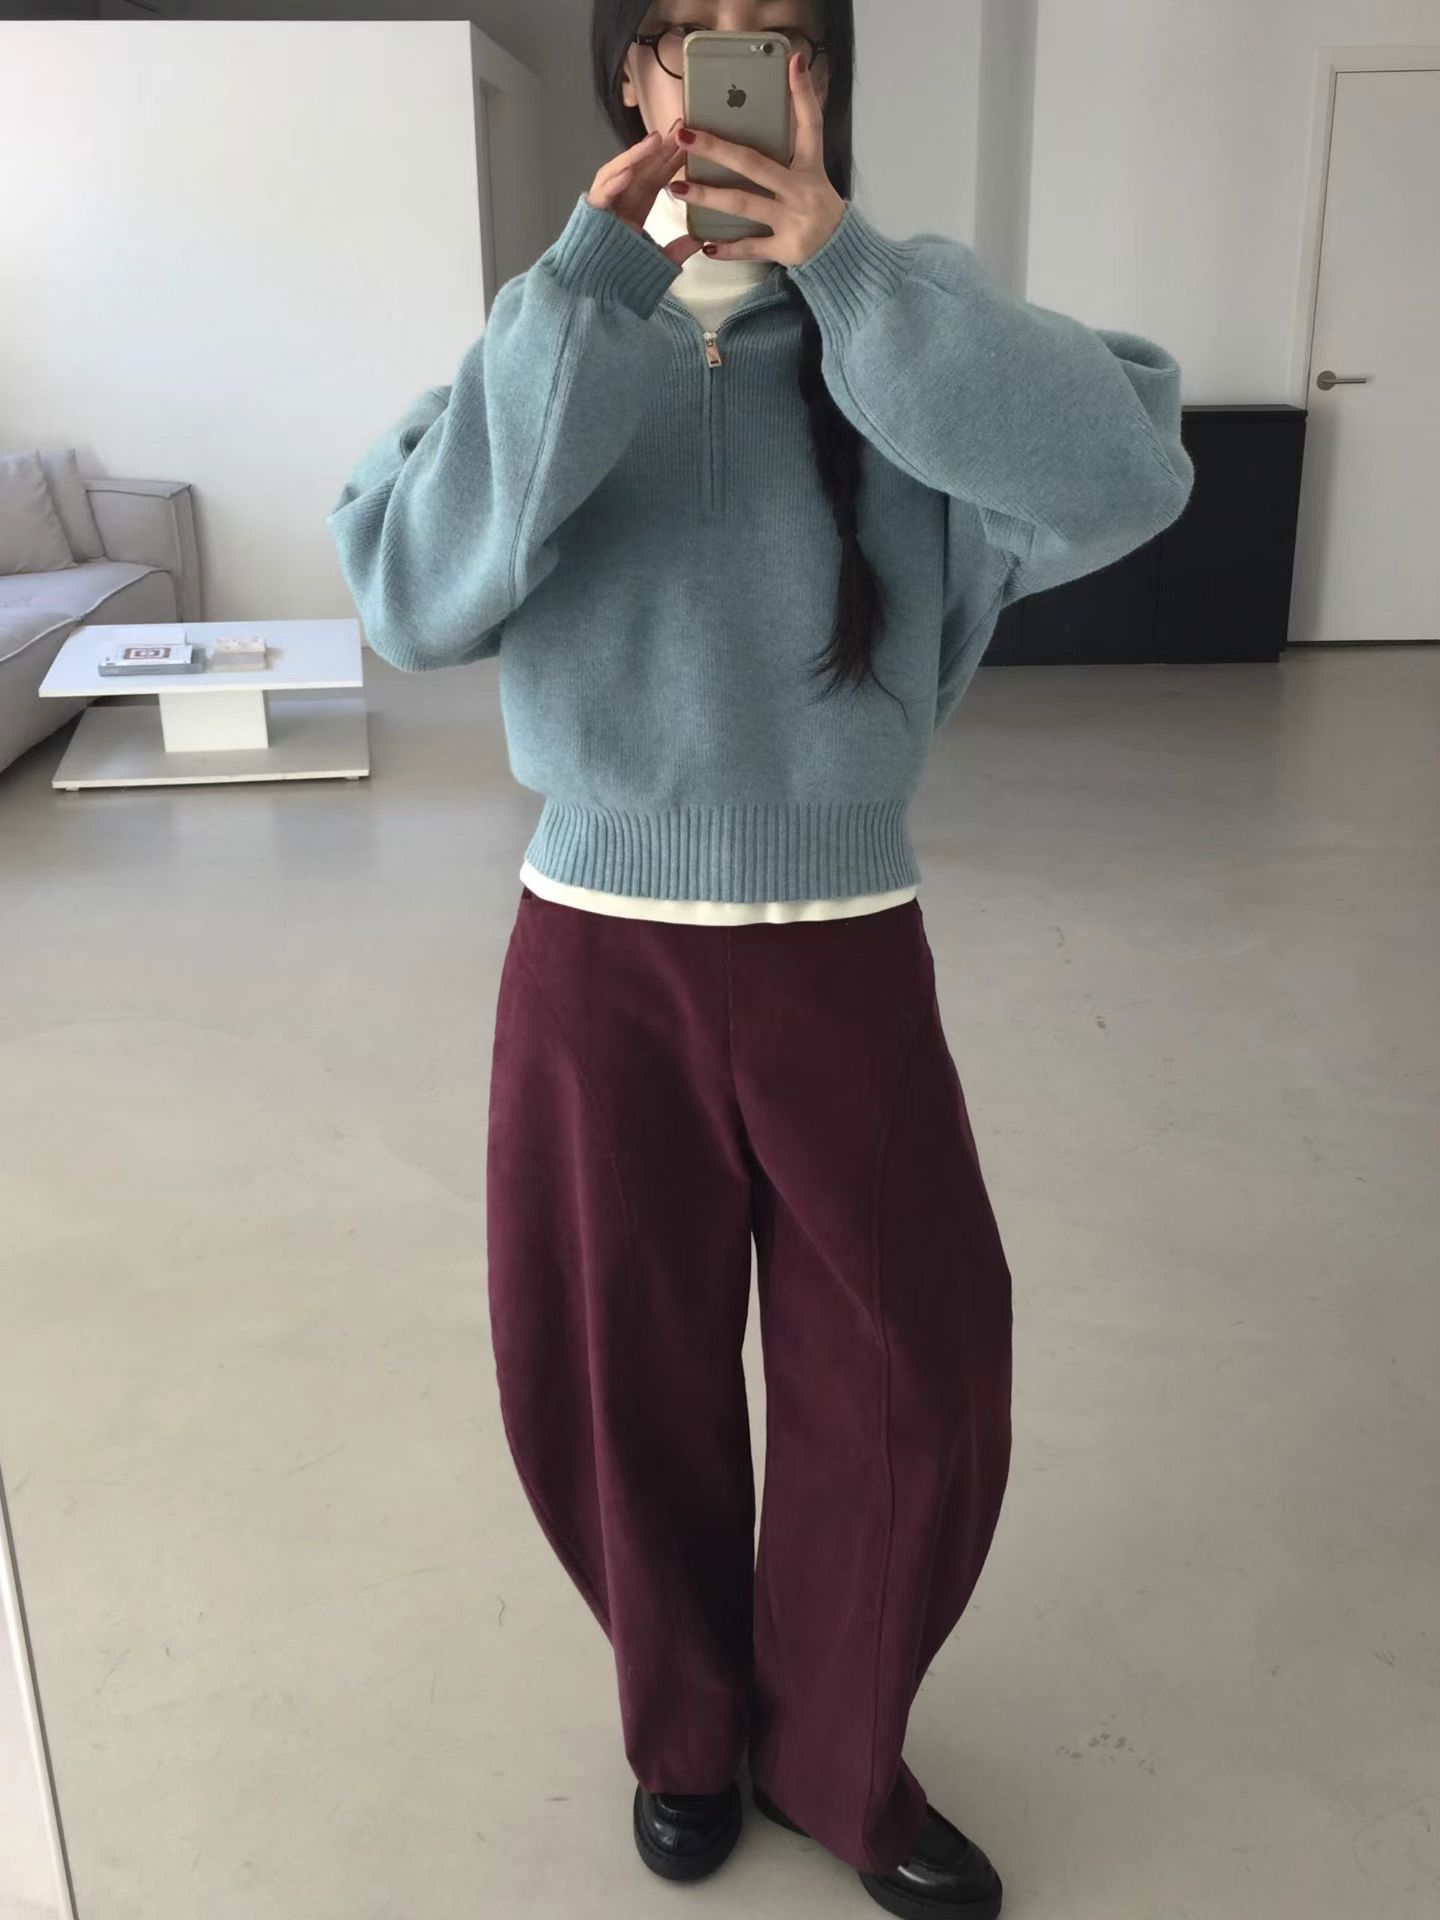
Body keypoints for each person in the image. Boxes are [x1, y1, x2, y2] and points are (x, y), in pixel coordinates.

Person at [326, 4, 1194, 1913]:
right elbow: (407, 590)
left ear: (824, 81)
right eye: (686, 39)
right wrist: (585, 288)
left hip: (843, 946)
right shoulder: (550, 333)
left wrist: (854, 274)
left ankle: (838, 1757)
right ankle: (687, 1735)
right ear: (629, 79)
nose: (730, 74)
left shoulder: (906, 320)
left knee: (915, 1382)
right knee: (613, 1378)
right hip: (596, 956)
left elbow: (1128, 471)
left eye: (780, 41)